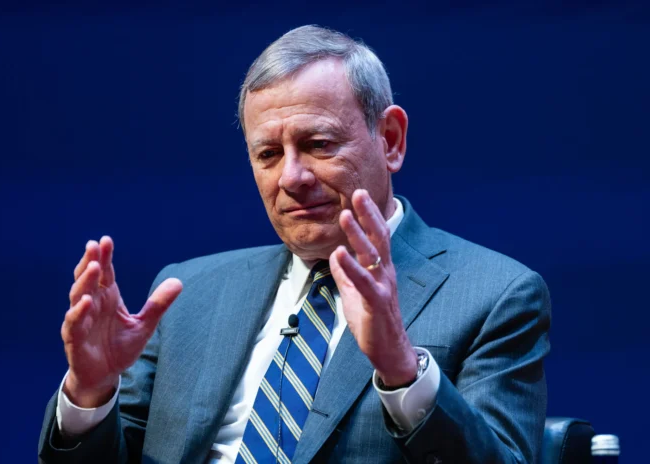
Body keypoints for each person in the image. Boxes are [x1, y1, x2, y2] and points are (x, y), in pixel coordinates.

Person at [38, 25, 550, 464]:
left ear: (390, 139)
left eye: (318, 144)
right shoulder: (187, 292)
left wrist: (401, 369)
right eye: (268, 154)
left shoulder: (494, 295)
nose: (291, 177)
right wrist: (90, 393)